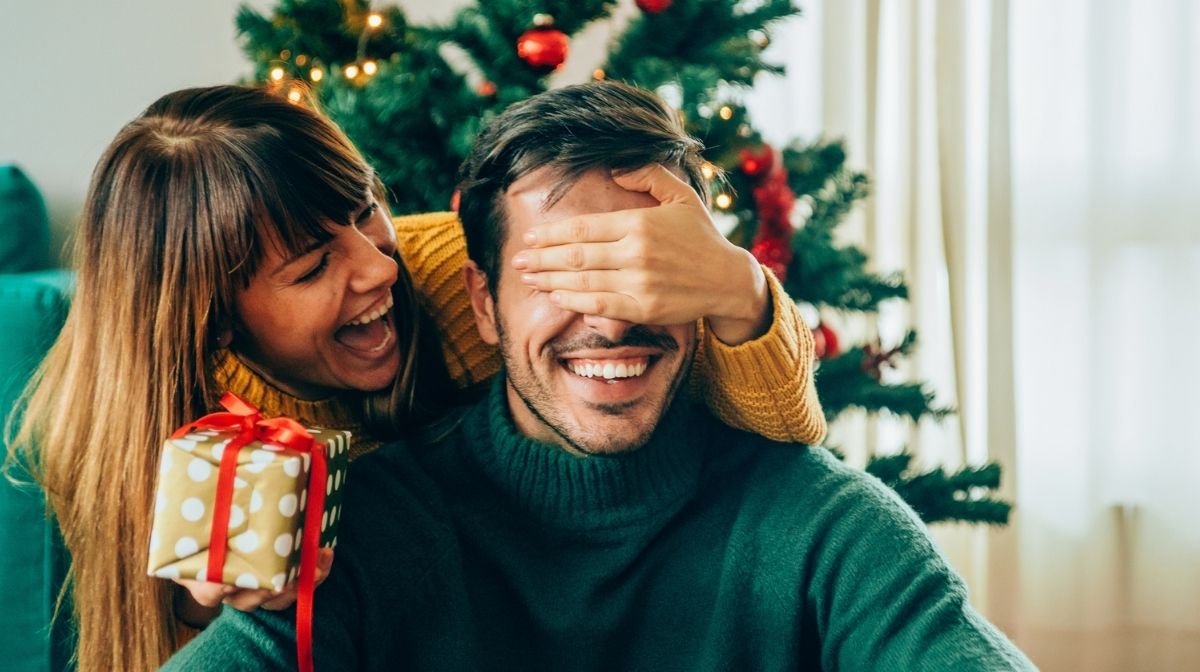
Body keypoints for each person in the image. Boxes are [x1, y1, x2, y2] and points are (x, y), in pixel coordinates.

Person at [162, 81, 1035, 671]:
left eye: (640, 269)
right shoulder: (363, 528)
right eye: (559, 274)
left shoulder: (822, 527)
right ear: (483, 300)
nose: (611, 317)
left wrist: (740, 284)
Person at [6, 84, 826, 672]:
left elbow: (781, 435)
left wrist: (737, 287)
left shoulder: (458, 278)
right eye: (313, 266)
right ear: (219, 320)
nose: (376, 267)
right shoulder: (145, 439)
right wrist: (197, 606)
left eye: (364, 210)